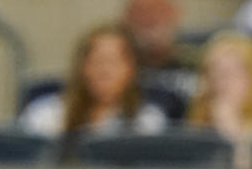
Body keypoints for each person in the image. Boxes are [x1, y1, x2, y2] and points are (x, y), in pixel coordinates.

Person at [18, 23, 168, 140]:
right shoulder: (44, 116)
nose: (105, 71)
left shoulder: (148, 122)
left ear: (131, 70)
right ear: (82, 67)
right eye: (97, 61)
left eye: (114, 62)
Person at [186, 31, 252, 143]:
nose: (220, 82)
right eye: (213, 73)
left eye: (231, 73)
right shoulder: (194, 124)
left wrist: (231, 126)